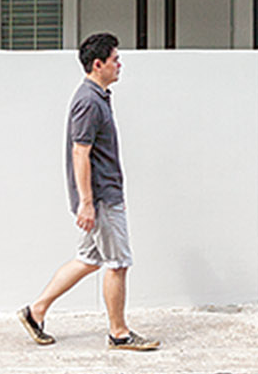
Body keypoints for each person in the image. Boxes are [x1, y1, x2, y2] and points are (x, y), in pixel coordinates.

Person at [18, 32, 159, 351]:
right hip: (101, 199)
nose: (119, 65)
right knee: (118, 262)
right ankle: (119, 333)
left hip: (101, 197)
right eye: (115, 59)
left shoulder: (97, 97)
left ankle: (35, 311)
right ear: (98, 64)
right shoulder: (89, 102)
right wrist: (87, 203)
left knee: (88, 259)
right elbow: (79, 152)